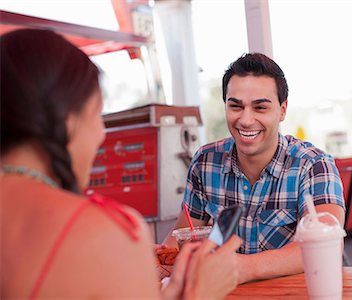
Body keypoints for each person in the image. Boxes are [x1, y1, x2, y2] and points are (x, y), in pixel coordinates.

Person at [0, 28, 240, 299]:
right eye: (96, 116)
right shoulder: (107, 234)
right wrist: (200, 293)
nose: (102, 134)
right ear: (67, 121)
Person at [163, 53, 345, 284]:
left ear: (282, 110)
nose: (246, 120)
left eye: (260, 108)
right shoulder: (205, 162)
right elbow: (183, 235)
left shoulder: (313, 165)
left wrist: (240, 268)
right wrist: (160, 254)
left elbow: (327, 246)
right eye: (236, 107)